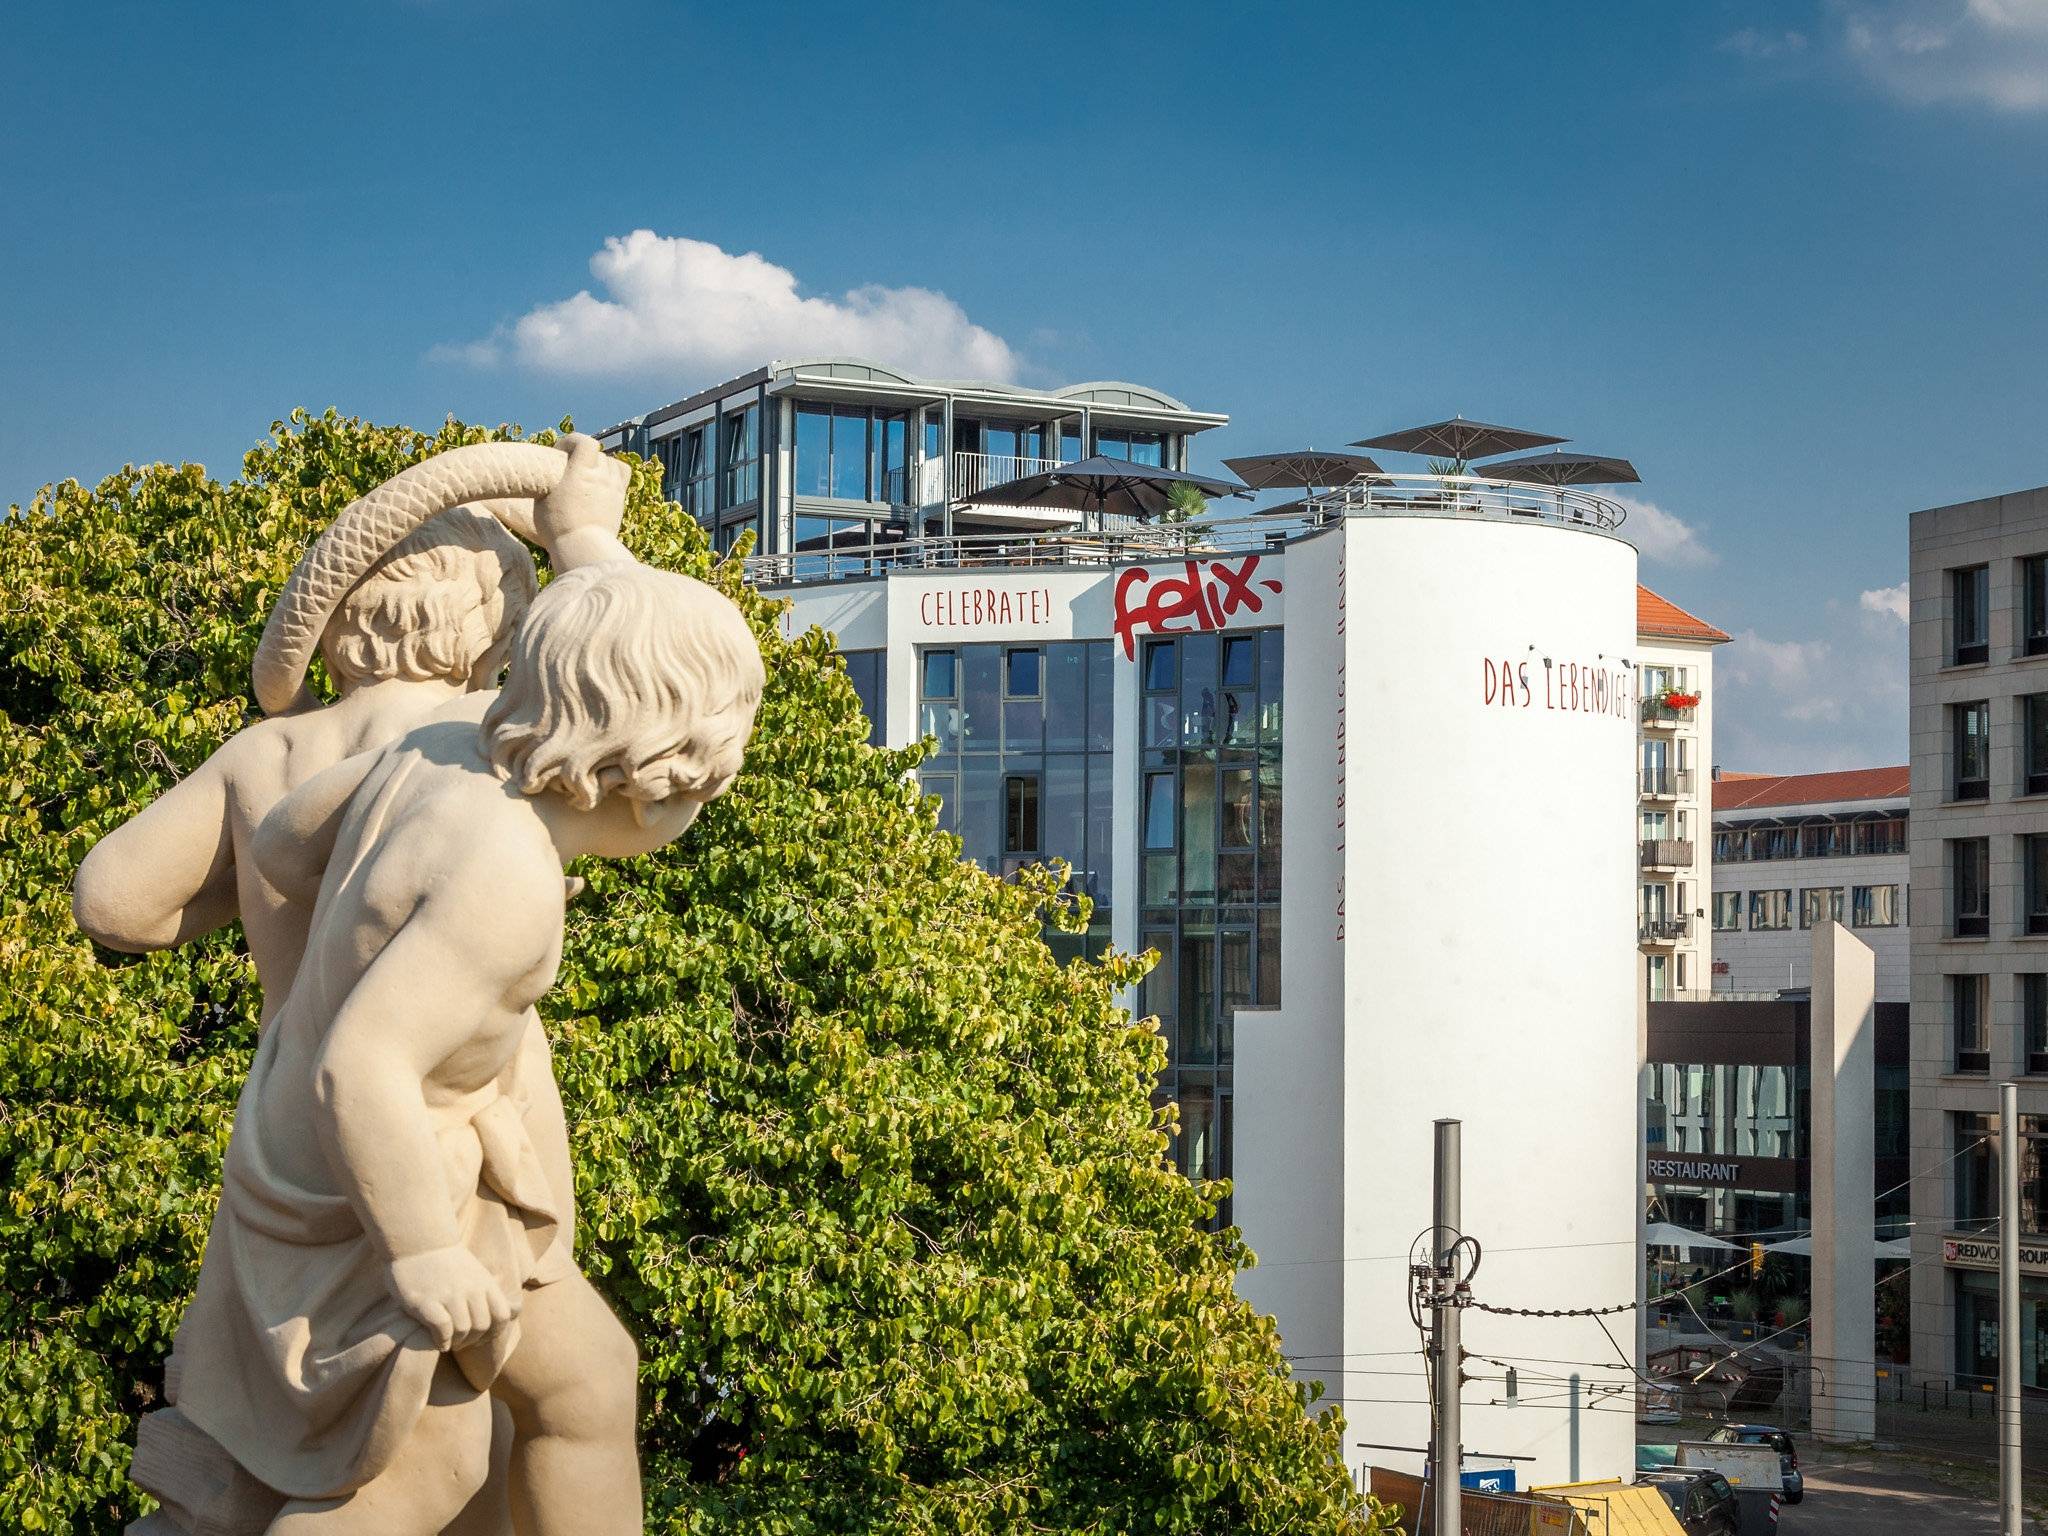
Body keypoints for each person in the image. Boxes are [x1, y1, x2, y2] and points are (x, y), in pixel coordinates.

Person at [171, 560, 763, 1536]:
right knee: (420, 1480)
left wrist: (402, 897)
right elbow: (360, 1069)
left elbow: (279, 846)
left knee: (589, 1384)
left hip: (354, 1147)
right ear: (654, 793)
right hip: (378, 1189)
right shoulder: (506, 879)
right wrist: (424, 1255)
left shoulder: (450, 741)